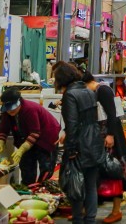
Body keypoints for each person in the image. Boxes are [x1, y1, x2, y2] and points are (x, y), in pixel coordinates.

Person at [82, 72, 126, 224]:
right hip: (101, 139)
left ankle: (116, 211)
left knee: (115, 172)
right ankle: (87, 209)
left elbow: (112, 114)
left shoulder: (102, 90)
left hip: (112, 140)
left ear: (87, 83)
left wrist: (110, 135)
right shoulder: (97, 91)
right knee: (97, 174)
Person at [56, 63, 100, 224]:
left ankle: (78, 220)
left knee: (75, 185)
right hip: (94, 142)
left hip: (80, 145)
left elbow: (72, 124)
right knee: (90, 186)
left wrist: (71, 149)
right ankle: (90, 220)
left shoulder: (70, 95)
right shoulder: (88, 91)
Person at [0, 88, 61, 184]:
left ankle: (40, 190)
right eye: (7, 108)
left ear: (19, 101)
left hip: (46, 137)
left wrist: (21, 149)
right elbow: (3, 129)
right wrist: (0, 142)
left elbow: (35, 132)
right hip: (26, 138)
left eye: (12, 108)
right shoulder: (7, 112)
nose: (10, 111)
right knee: (27, 169)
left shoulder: (30, 109)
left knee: (46, 169)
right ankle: (27, 190)